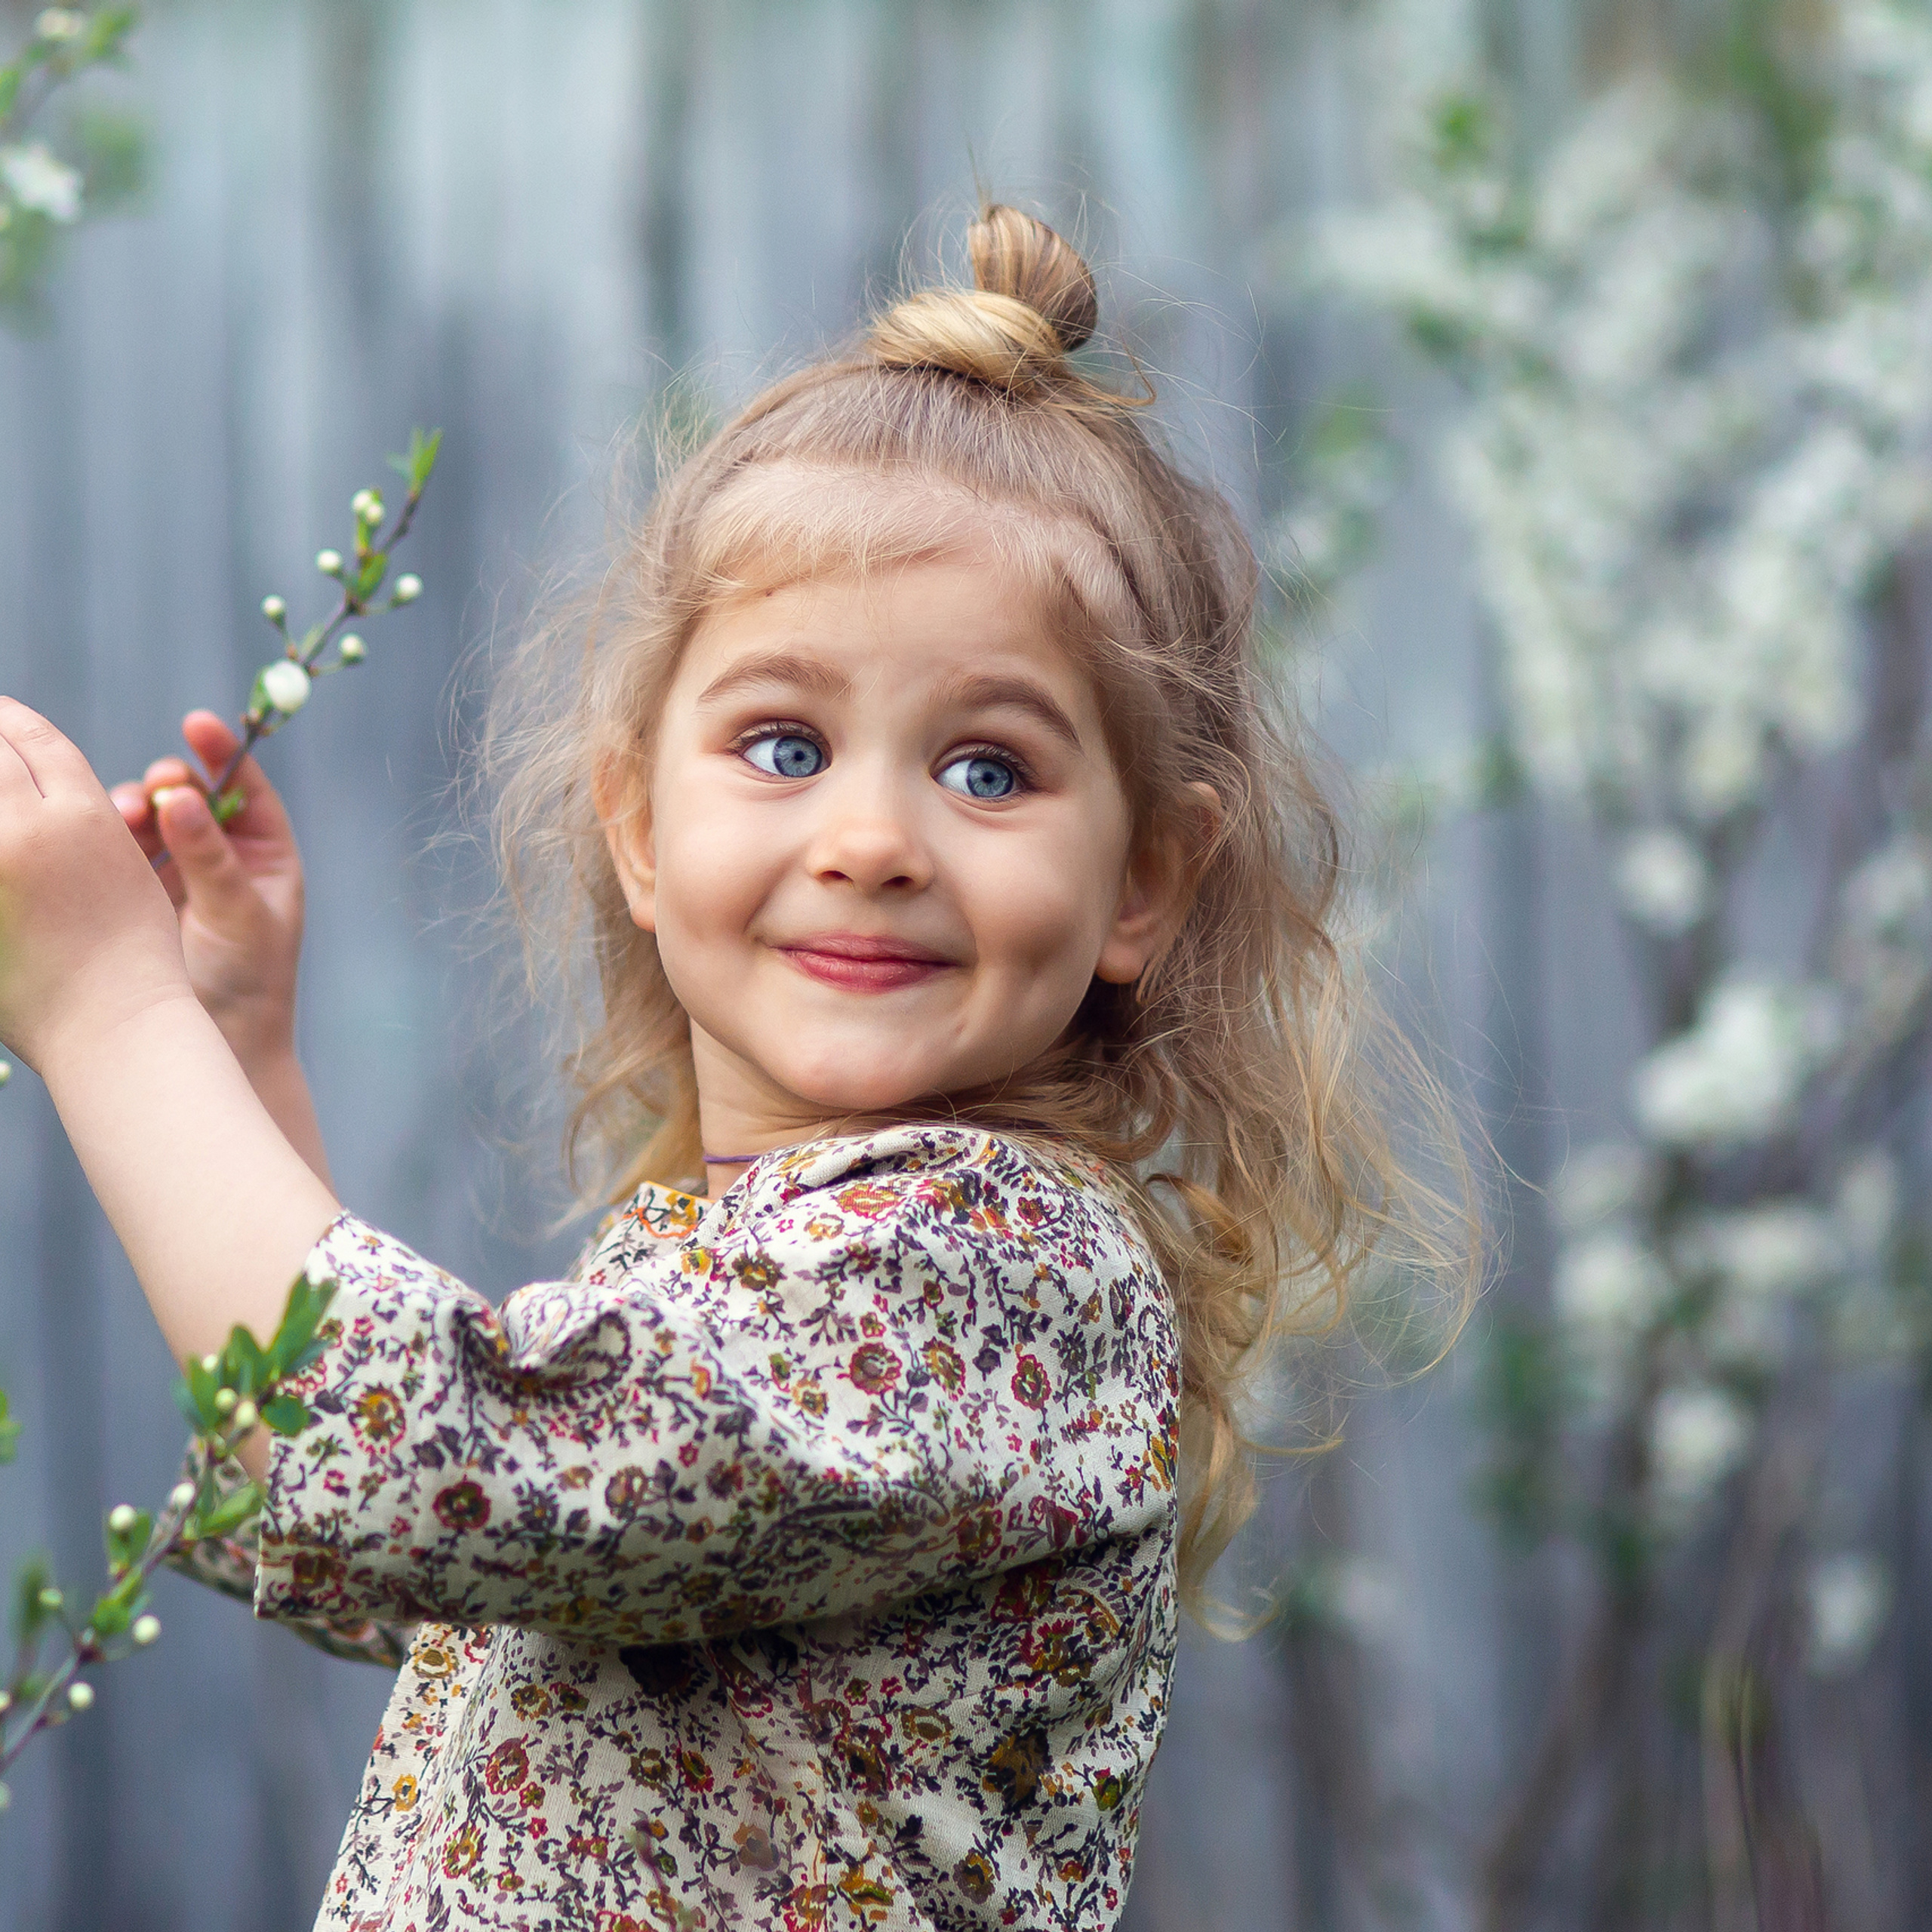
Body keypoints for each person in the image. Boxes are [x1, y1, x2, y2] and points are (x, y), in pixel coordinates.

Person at [0, 205, 1472, 1930]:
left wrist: (108, 1008)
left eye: (988, 770)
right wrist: (241, 1050)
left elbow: (419, 1464)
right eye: (784, 743)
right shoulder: (765, 1249)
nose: (870, 837)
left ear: (1140, 878)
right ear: (636, 821)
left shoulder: (992, 1270)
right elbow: (436, 1571)